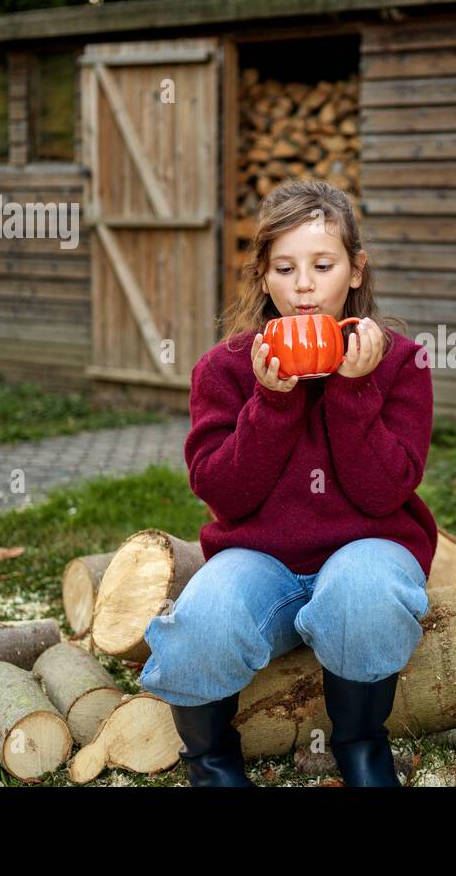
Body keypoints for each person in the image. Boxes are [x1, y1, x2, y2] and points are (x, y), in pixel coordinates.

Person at [140, 178, 438, 787]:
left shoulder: (400, 362)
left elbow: (384, 492)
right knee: (199, 626)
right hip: (261, 559)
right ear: (264, 277)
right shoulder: (225, 369)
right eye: (285, 267)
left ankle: (360, 749)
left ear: (355, 271)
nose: (303, 285)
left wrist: (353, 390)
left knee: (363, 595)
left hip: (366, 549)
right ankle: (213, 765)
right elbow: (225, 493)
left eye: (322, 265)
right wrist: (272, 403)